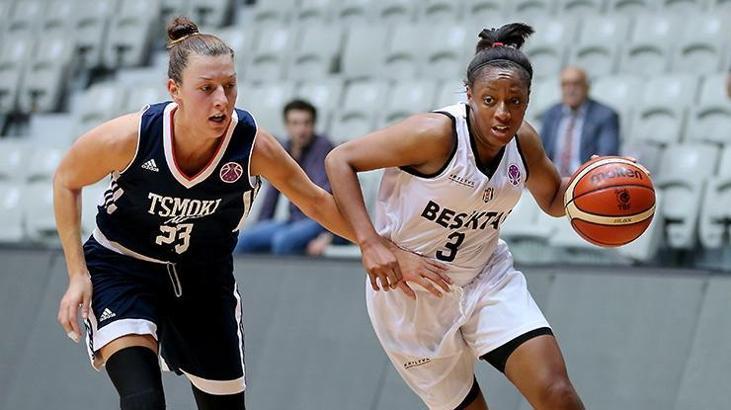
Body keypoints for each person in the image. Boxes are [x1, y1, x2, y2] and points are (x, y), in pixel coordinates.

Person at [54, 17, 448, 410]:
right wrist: (77, 274)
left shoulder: (252, 144)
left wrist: (380, 247)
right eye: (207, 88)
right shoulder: (132, 136)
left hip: (203, 279)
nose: (222, 100)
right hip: (123, 266)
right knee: (142, 400)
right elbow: (66, 181)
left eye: (229, 86)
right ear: (174, 90)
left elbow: (314, 201)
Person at [325, 24, 585, 410]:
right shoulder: (435, 134)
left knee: (557, 394)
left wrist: (596, 182)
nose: (503, 113)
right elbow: (340, 159)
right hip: (411, 296)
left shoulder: (524, 141)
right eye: (490, 100)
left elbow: (553, 199)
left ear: (528, 100)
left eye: (515, 101)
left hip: (486, 278)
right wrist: (370, 243)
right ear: (469, 95)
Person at [235, 99, 333, 255]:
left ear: (313, 125)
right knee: (244, 240)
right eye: (295, 123)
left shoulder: (323, 147)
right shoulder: (284, 148)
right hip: (294, 220)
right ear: (287, 126)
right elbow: (272, 193)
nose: (301, 129)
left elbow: (327, 195)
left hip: (320, 222)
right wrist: (261, 226)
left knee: (283, 241)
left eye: (306, 123)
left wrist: (327, 235)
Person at [540, 66, 619, 177]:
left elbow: (606, 157)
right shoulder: (551, 114)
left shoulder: (606, 115)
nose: (570, 90)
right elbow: (541, 152)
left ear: (587, 87)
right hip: (553, 179)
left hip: (587, 178)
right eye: (565, 84)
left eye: (576, 84)